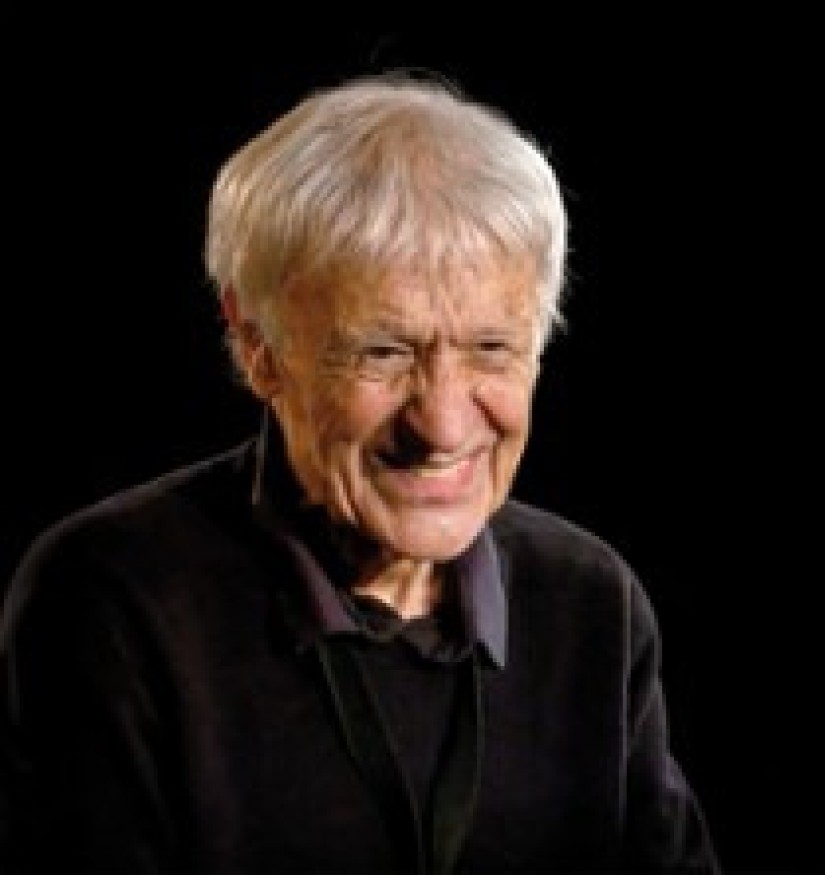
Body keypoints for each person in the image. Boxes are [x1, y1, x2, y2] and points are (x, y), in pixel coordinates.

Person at [0, 71, 721, 873]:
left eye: (490, 349)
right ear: (256, 345)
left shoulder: (587, 599)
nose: (442, 425)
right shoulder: (117, 597)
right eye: (383, 352)